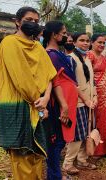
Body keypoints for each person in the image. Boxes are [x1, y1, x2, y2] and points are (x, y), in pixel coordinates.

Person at [0, 7, 56, 179]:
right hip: (18, 107)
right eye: (28, 20)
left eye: (36, 21)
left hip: (37, 104)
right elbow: (22, 80)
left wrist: (46, 98)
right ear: (17, 22)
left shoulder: (38, 47)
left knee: (37, 154)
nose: (33, 23)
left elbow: (50, 74)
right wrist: (40, 105)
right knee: (22, 154)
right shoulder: (10, 43)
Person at [42, 21, 78, 179]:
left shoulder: (59, 54)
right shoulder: (51, 55)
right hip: (56, 105)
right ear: (53, 35)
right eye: (63, 33)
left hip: (65, 103)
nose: (66, 36)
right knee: (55, 142)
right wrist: (63, 106)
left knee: (60, 142)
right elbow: (53, 82)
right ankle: (54, 176)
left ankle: (56, 174)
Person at [62, 32, 98, 174]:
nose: (85, 43)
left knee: (86, 133)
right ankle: (68, 163)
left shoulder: (87, 59)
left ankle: (82, 160)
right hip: (78, 103)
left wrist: (94, 96)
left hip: (89, 102)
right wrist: (86, 100)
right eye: (81, 40)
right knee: (77, 135)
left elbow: (91, 81)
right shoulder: (70, 59)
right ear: (75, 42)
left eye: (87, 41)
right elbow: (72, 84)